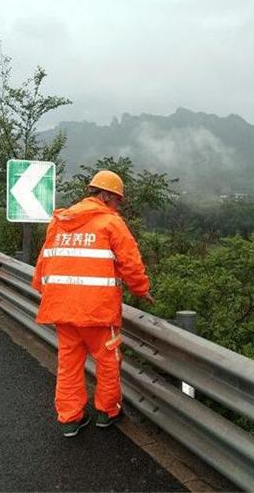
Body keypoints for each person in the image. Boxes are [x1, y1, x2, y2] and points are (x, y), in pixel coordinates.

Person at [32, 170, 154, 438]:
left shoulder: (59, 222)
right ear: (107, 195)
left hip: (62, 309)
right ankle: (107, 412)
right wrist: (141, 289)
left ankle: (69, 419)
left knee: (69, 364)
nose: (117, 206)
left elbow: (44, 262)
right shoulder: (111, 223)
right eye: (117, 200)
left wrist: (45, 289)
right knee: (108, 362)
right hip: (98, 312)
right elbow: (130, 263)